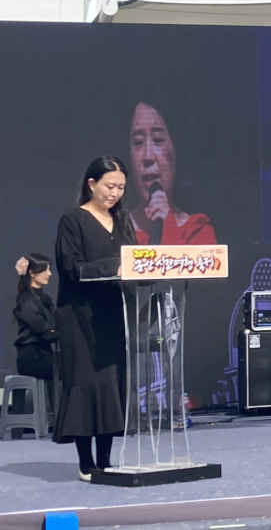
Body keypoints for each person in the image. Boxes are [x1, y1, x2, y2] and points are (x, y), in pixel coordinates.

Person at [54, 156, 137, 482]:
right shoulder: (73, 220)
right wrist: (112, 269)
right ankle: (86, 463)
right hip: (80, 316)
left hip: (115, 314)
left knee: (111, 386)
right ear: (92, 184)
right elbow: (71, 266)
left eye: (120, 188)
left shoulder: (123, 220)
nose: (115, 193)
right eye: (109, 186)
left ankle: (106, 460)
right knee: (88, 385)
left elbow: (134, 261)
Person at [128, 99, 216, 245]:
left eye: (158, 140)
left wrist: (168, 227)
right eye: (138, 142)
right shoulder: (112, 232)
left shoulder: (198, 231)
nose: (148, 156)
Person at [12, 253, 58, 382]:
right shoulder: (27, 302)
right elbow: (44, 332)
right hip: (32, 359)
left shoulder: (45, 299)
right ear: (32, 273)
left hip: (45, 354)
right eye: (45, 269)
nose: (49, 274)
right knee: (69, 366)